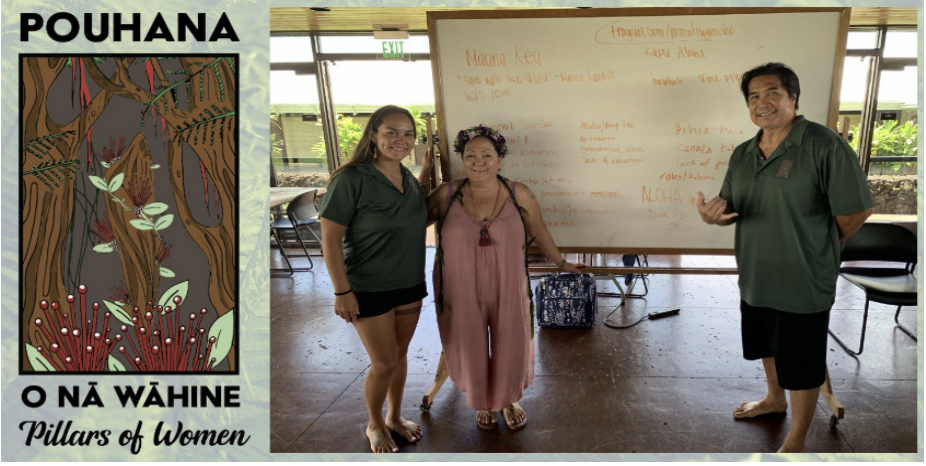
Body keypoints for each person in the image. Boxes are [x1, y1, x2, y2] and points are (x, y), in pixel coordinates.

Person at [696, 63, 873, 453]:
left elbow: (856, 211)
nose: (763, 103)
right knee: (768, 344)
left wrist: (817, 246)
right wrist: (713, 215)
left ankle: (796, 441)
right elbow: (732, 207)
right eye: (754, 96)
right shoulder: (744, 153)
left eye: (772, 92)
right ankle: (774, 399)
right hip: (756, 275)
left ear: (793, 98)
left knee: (802, 360)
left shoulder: (824, 146)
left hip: (804, 278)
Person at [427, 124, 585, 431]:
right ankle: (482, 400)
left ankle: (508, 398)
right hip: (459, 288)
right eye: (470, 155)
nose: (479, 161)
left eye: (487, 154)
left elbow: (539, 230)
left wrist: (561, 262)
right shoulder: (445, 194)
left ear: (500, 159)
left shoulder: (518, 193)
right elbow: (410, 222)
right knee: (467, 342)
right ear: (462, 159)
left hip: (508, 284)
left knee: (511, 342)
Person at [319, 105, 434, 453]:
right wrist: (342, 291)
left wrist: (429, 169)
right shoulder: (351, 178)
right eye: (391, 132)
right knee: (383, 362)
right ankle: (373, 423)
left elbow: (413, 221)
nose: (401, 140)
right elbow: (330, 238)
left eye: (408, 134)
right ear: (373, 135)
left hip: (409, 282)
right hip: (368, 286)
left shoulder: (409, 179)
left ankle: (395, 416)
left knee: (399, 356)